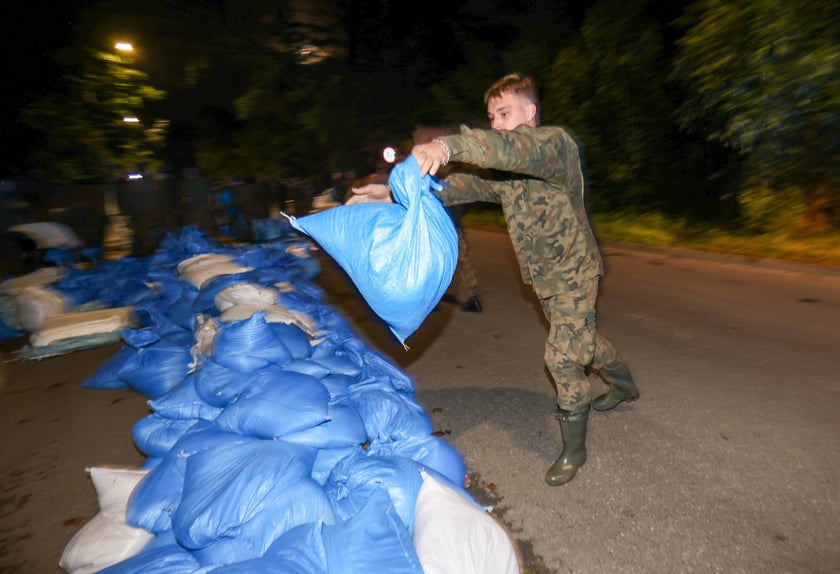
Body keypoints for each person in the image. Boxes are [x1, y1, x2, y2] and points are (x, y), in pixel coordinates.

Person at [348, 73, 639, 486]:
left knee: (562, 356)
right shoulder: (510, 176)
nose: (497, 123)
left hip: (574, 273)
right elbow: (462, 186)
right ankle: (624, 384)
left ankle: (574, 448)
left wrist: (447, 146)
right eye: (492, 117)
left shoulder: (554, 146)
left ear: (530, 111)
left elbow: (505, 148)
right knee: (582, 341)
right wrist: (394, 193)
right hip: (545, 279)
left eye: (504, 113)